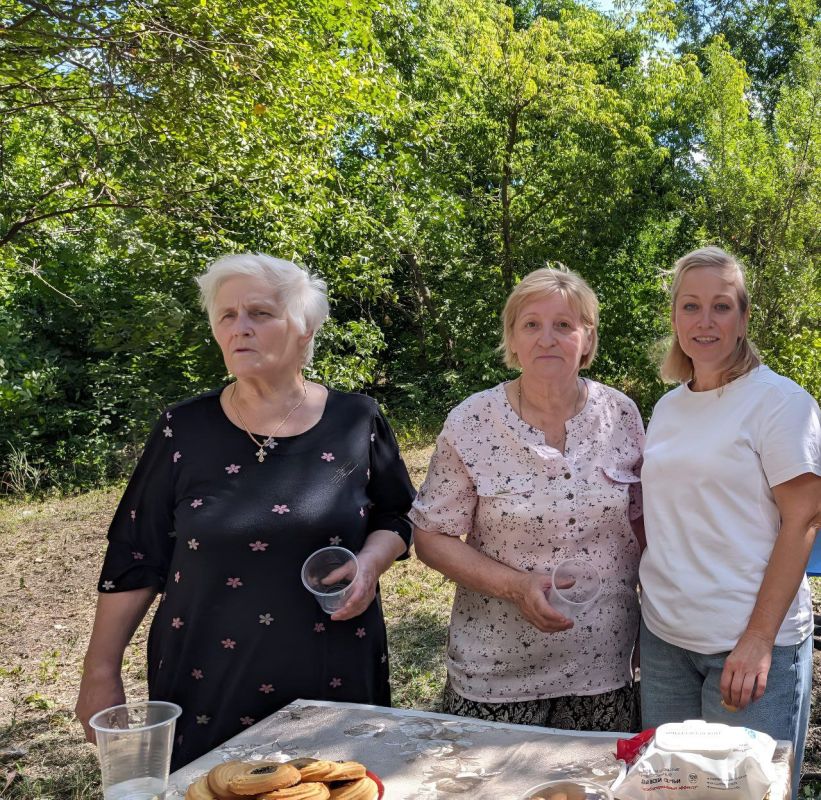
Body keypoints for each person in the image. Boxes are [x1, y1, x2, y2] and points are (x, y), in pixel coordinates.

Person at [75, 253, 415, 769]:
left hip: (335, 670)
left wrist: (370, 564)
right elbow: (135, 555)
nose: (241, 329)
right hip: (207, 679)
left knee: (336, 784)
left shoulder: (357, 419)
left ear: (305, 329)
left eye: (260, 313)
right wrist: (100, 671)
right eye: (227, 316)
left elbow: (398, 517)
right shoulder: (182, 430)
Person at [410, 267, 645, 732]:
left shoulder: (620, 413)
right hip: (495, 670)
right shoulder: (472, 421)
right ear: (512, 340)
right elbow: (431, 536)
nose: (548, 339)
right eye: (531, 325)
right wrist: (515, 586)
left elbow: (641, 524)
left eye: (564, 325)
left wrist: (659, 625)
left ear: (587, 338)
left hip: (604, 663)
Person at [639, 246, 821, 797]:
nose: (705, 321)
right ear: (674, 318)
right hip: (665, 640)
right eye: (690, 306)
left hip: (746, 649)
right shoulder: (668, 406)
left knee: (744, 794)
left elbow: (805, 521)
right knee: (669, 792)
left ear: (743, 318)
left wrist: (759, 638)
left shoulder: (779, 403)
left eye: (721, 306)